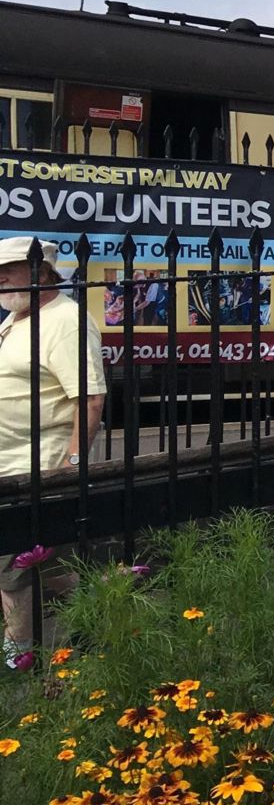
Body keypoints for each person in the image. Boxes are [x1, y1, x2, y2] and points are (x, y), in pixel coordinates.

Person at [0, 237, 105, 665]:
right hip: (12, 462)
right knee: (52, 564)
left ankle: (19, 653)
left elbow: (90, 399)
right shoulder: (18, 319)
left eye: (9, 268)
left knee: (12, 569)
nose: (0, 277)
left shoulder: (65, 321)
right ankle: (106, 613)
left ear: (42, 272)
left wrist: (72, 463)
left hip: (37, 467)